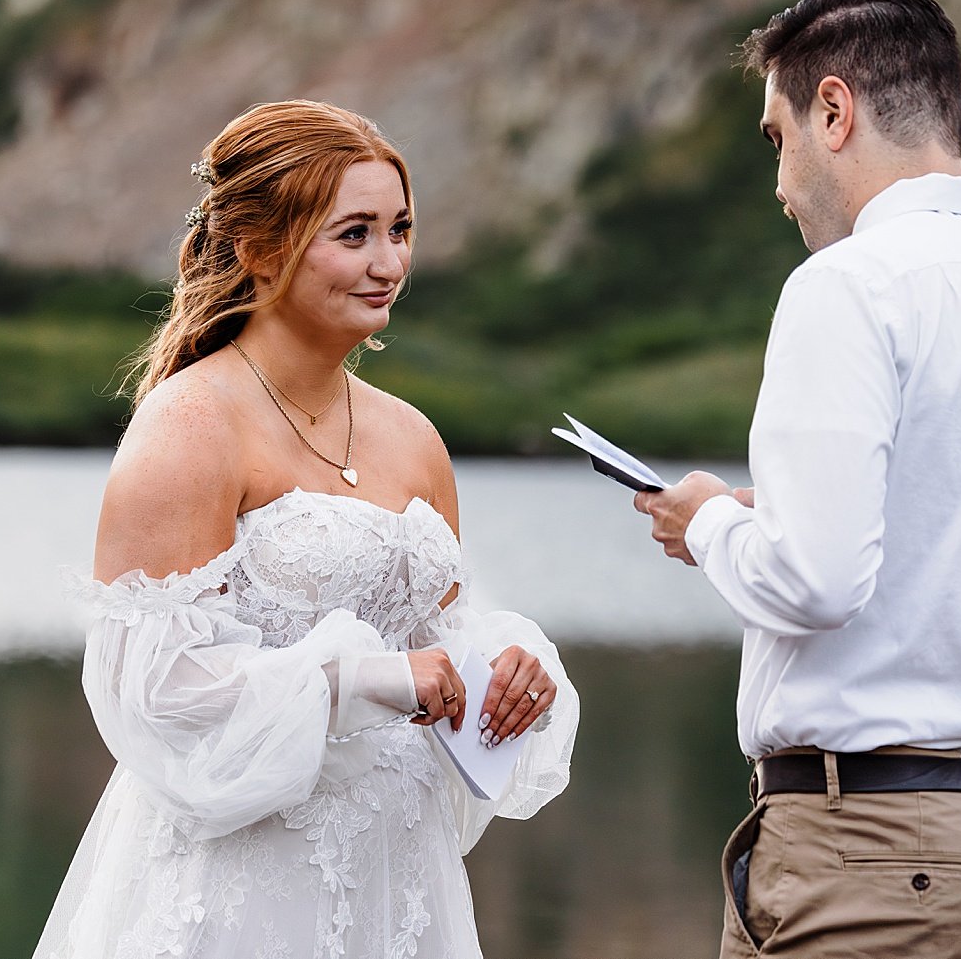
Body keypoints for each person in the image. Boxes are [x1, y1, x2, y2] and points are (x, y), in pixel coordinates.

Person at [634, 0, 961, 958]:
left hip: (865, 852)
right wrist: (796, 515)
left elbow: (816, 581)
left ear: (833, 109)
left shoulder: (845, 287)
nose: (779, 183)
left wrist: (710, 523)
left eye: (778, 138)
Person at [34, 100, 578, 959]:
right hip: (245, 884)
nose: (389, 261)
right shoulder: (193, 422)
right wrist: (360, 680)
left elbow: (445, 639)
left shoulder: (415, 437)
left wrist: (511, 670)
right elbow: (152, 689)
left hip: (401, 882)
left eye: (401, 229)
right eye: (354, 234)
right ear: (258, 248)